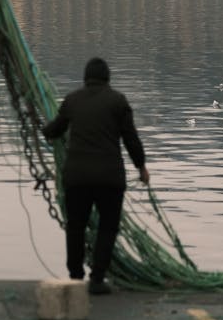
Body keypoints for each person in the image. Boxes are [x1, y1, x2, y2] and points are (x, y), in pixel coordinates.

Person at [42, 57, 149, 295]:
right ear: (107, 78)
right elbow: (131, 139)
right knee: (108, 227)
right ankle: (97, 279)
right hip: (109, 178)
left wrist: (40, 126)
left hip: (77, 177)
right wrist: (141, 167)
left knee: (76, 227)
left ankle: (75, 276)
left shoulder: (72, 100)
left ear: (85, 78)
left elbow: (54, 130)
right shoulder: (118, 101)